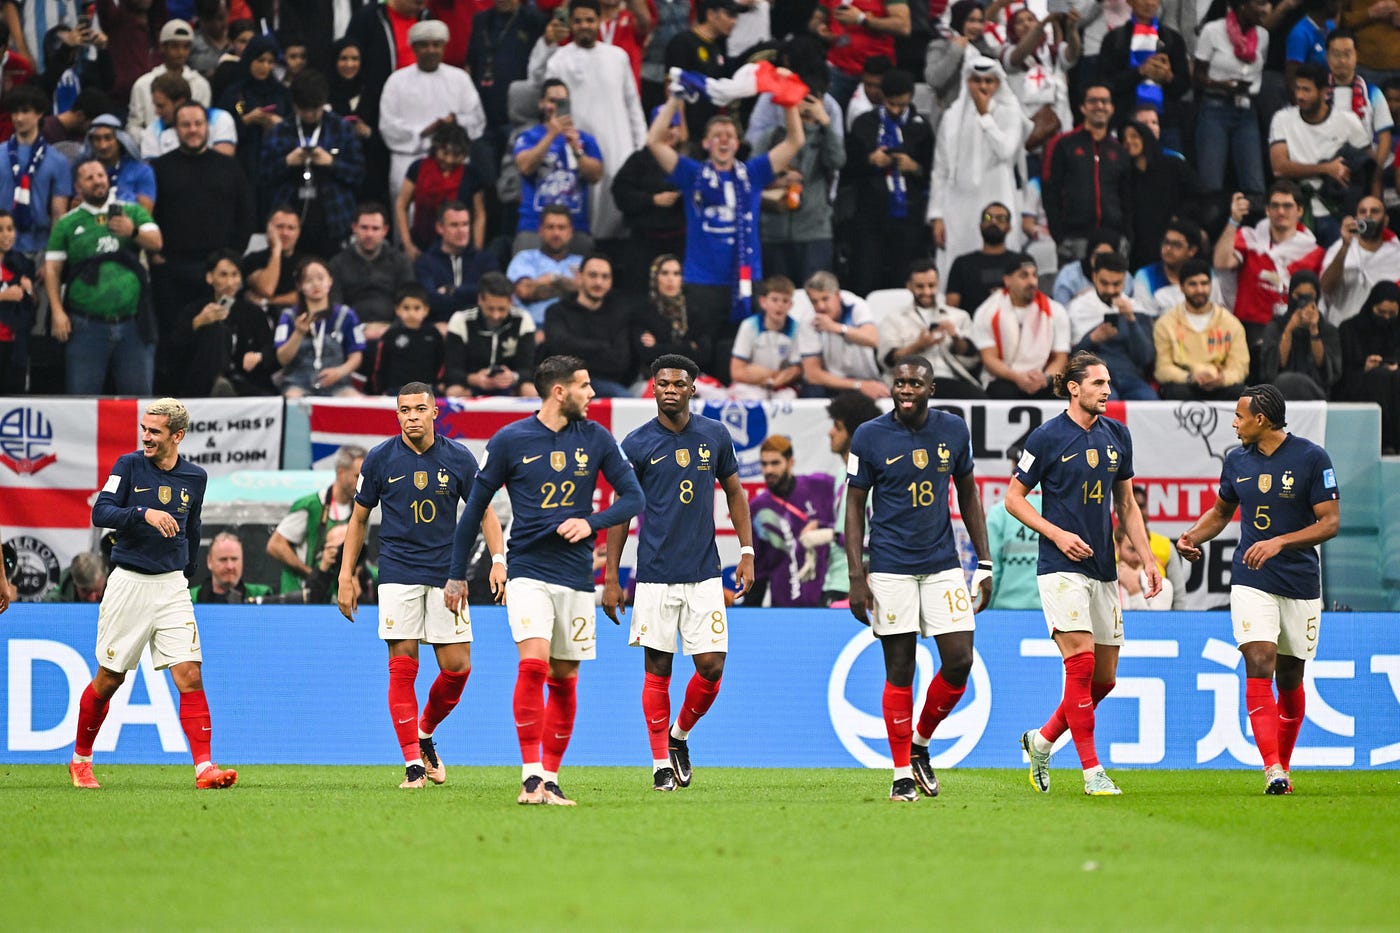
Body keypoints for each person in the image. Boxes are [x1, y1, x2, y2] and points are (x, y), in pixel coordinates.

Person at [445, 355, 644, 805]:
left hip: (575, 578)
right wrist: (457, 575)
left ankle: (551, 779)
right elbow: (474, 509)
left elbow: (634, 497)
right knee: (533, 664)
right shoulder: (510, 440)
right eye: (585, 386)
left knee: (565, 677)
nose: (592, 394)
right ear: (560, 391)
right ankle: (530, 775)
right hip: (528, 572)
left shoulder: (597, 438)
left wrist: (592, 522)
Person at [1005, 351, 1161, 797]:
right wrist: (1056, 534)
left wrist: (1148, 558)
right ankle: (1093, 771)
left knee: (1105, 679)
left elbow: (1127, 505)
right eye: (1097, 383)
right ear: (1074, 388)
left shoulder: (1117, 435)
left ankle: (1042, 740)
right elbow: (1014, 498)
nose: (1106, 390)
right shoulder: (1048, 437)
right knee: (1081, 663)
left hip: (1104, 568)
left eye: (1108, 383)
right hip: (1060, 567)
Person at [338, 383, 507, 789]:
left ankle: (424, 732)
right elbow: (358, 521)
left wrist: (499, 560)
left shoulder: (458, 458)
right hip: (397, 574)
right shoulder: (380, 459)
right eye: (403, 410)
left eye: (418, 409)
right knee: (402, 668)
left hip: (447, 575)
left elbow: (485, 513)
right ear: (396, 415)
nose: (411, 416)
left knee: (457, 669)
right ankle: (413, 765)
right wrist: (346, 576)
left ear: (434, 413)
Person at [1176, 384, 1340, 794]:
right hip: (1253, 579)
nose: (1233, 422)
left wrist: (1281, 541)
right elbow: (1220, 512)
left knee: (1290, 676)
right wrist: (1193, 537)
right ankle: (1272, 769)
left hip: (1300, 583)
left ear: (1261, 419)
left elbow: (1330, 522)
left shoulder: (1311, 458)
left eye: (1239, 416)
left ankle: (1283, 763)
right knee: (1259, 658)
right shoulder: (1235, 462)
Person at [602, 353, 755, 791]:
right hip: (653, 576)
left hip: (705, 574)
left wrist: (746, 551)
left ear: (692, 388)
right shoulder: (635, 444)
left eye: (678, 383)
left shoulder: (714, 435)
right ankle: (659, 766)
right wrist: (613, 576)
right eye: (662, 383)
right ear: (653, 388)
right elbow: (621, 514)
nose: (670, 389)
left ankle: (678, 736)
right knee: (658, 669)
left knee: (711, 667)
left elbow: (735, 494)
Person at [69, 398, 238, 791]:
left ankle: (204, 769)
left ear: (177, 436)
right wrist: (143, 513)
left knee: (190, 674)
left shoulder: (195, 477)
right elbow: (101, 512)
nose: (146, 436)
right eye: (144, 429)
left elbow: (193, 526)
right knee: (109, 679)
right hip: (129, 581)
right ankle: (81, 760)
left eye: (155, 431)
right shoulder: (129, 466)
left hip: (172, 586)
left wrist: (188, 571)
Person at [845, 355, 993, 801]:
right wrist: (857, 574)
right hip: (890, 567)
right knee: (900, 668)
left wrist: (983, 564)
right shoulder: (869, 436)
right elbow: (853, 506)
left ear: (931, 390)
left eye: (915, 383)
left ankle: (921, 742)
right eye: (900, 383)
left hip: (943, 564)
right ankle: (900, 773)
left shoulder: (953, 430)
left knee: (960, 659)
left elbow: (967, 494)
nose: (906, 390)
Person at [647, 93, 804, 375]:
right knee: (702, 351)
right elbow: (654, 142)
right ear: (706, 143)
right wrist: (673, 100)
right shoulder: (691, 173)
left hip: (745, 279)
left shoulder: (753, 173)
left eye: (729, 135)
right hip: (701, 281)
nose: (723, 139)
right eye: (716, 135)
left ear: (737, 143)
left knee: (740, 350)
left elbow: (795, 142)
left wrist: (788, 98)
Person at [46, 158, 163, 396]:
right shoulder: (67, 223)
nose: (97, 181)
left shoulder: (131, 211)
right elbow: (52, 269)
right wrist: (57, 311)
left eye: (100, 175)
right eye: (89, 178)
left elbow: (157, 243)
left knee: (138, 403)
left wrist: (133, 231)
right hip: (85, 327)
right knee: (82, 403)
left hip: (133, 324)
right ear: (77, 186)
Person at [540, 0, 647, 241]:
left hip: (620, 145)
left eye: (589, 20)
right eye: (578, 21)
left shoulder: (617, 57)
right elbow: (550, 107)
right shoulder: (558, 60)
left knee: (618, 210)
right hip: (578, 148)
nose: (584, 26)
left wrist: (641, 148)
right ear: (570, 24)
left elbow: (633, 105)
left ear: (599, 21)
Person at [929, 57, 1028, 280]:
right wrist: (937, 216)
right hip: (957, 205)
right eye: (977, 80)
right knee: (956, 266)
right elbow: (941, 169)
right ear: (967, 81)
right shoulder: (952, 116)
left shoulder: (1009, 112)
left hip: (997, 198)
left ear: (998, 84)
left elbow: (1006, 150)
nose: (983, 87)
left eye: (989, 81)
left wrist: (985, 116)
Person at [842, 68, 931, 296]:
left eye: (901, 105)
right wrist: (870, 160)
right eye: (890, 104)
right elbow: (846, 169)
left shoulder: (921, 127)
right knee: (866, 279)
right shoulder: (864, 124)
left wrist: (914, 167)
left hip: (908, 218)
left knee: (903, 281)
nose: (895, 110)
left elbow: (934, 172)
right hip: (870, 217)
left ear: (910, 97)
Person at [1213, 182, 1325, 364]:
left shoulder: (1314, 253)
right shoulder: (1250, 238)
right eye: (1275, 206)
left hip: (1291, 329)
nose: (1281, 212)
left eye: (1287, 206)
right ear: (1267, 210)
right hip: (1246, 326)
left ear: (1300, 211)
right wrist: (1233, 221)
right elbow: (1221, 262)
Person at [261, 69, 366, 260]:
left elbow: (359, 174)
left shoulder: (341, 129)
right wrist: (287, 162)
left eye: (315, 109)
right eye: (304, 109)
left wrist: (332, 163)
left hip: (333, 219)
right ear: (295, 105)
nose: (309, 115)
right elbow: (263, 176)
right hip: (290, 218)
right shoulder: (280, 131)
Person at [378, 20, 487, 199]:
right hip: (410, 159)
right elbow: (388, 126)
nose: (431, 50)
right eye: (424, 45)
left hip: (452, 160)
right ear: (413, 48)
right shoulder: (396, 81)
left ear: (444, 47)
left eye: (436, 45)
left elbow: (477, 120)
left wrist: (454, 123)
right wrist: (422, 132)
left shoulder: (459, 78)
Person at [1268, 61, 1371, 244]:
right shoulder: (1282, 118)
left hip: (1337, 212)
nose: (1299, 95)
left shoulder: (1347, 121)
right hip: (1296, 213)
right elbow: (1279, 167)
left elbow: (1368, 164)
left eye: (1306, 90)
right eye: (1297, 88)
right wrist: (1326, 168)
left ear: (1324, 92)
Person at [167, 248, 278, 397]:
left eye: (235, 275)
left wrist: (259, 356)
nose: (230, 282)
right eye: (223, 275)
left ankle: (227, 384)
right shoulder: (194, 310)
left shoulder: (253, 312)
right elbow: (173, 350)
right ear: (209, 277)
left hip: (244, 380)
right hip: (199, 383)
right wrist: (199, 322)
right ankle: (218, 381)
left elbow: (269, 348)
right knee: (215, 330)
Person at [1044, 83, 1130, 265]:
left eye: (1105, 101)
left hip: (1113, 238)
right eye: (1093, 101)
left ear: (1112, 108)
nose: (1099, 106)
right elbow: (1051, 192)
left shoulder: (1120, 151)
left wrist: (1126, 235)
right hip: (1074, 239)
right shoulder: (1064, 145)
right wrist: (1059, 235)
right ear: (1082, 107)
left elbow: (1128, 197)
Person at [1193, 0, 1270, 196]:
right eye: (1260, 4)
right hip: (1215, 108)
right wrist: (1222, 85)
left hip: (1247, 110)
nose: (1266, 9)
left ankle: (1251, 225)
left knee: (1254, 183)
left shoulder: (1263, 36)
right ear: (1243, 6)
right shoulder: (1212, 31)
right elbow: (1198, 75)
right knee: (1211, 182)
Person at [748, 435, 835, 608]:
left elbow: (847, 527)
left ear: (791, 462)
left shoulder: (820, 486)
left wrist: (822, 527)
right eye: (764, 464)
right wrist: (750, 611)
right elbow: (758, 567)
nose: (768, 470)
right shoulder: (758, 508)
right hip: (783, 606)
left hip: (826, 599)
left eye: (775, 463)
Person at [267, 444, 366, 594]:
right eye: (357, 476)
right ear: (340, 472)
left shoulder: (360, 509)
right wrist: (311, 573)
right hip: (300, 596)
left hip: (331, 597)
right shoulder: (311, 505)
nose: (362, 483)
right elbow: (275, 545)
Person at [876, 259, 982, 397]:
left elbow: (973, 361)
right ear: (909, 286)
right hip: (912, 380)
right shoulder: (893, 319)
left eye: (931, 285)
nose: (927, 291)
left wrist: (956, 338)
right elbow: (887, 361)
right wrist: (919, 345)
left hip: (953, 380)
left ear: (938, 284)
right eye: (920, 286)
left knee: (982, 399)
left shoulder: (959, 316)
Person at [970, 253, 1070, 399]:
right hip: (1005, 377)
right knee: (1002, 391)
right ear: (1007, 280)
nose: (1032, 282)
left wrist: (1045, 377)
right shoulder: (987, 311)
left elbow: (1061, 357)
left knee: (1059, 392)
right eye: (1024, 276)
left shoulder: (1056, 311)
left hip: (1042, 377)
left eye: (1034, 275)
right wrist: (1018, 377)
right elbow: (989, 358)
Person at [513, 79, 604, 236]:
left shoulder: (585, 139)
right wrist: (552, 135)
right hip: (534, 225)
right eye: (552, 101)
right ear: (542, 103)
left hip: (575, 226)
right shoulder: (528, 136)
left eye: (562, 102)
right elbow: (525, 167)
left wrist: (577, 150)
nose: (555, 107)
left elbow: (595, 175)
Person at [1153, 258, 1251, 400]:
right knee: (1175, 391)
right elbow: (1162, 368)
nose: (1199, 290)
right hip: (1185, 384)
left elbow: (1240, 367)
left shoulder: (1231, 324)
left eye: (1204, 284)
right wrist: (1191, 377)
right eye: (1192, 284)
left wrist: (1222, 379)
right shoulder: (1165, 324)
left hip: (1221, 385)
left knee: (1240, 392)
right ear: (1181, 287)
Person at [541, 253, 637, 397]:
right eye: (593, 275)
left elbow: (620, 361)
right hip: (566, 383)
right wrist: (602, 346)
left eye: (605, 277)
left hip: (608, 384)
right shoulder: (557, 311)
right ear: (579, 277)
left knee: (627, 401)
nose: (599, 282)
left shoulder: (620, 313)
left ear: (611, 281)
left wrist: (576, 351)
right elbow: (557, 350)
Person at [1066, 251, 1158, 400]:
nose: (1110, 290)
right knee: (1106, 401)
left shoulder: (1138, 310)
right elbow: (1071, 360)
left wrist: (1132, 321)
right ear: (1094, 277)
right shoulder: (1077, 308)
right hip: (1093, 379)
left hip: (1131, 379)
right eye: (1105, 283)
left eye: (1116, 284)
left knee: (1150, 401)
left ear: (1125, 280)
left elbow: (1145, 358)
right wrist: (1092, 339)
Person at [272, 258, 367, 398]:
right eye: (308, 280)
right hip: (298, 383)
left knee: (356, 401)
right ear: (299, 286)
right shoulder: (288, 316)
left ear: (330, 281)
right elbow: (282, 359)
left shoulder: (346, 315)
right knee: (293, 399)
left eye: (320, 278)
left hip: (338, 383)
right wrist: (298, 333)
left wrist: (340, 372)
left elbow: (356, 356)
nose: (316, 284)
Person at [395, 122, 491, 261]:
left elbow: (479, 214)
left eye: (456, 155)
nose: (449, 159)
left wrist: (476, 251)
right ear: (436, 147)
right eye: (445, 153)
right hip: (421, 245)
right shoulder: (418, 168)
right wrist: (408, 244)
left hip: (459, 249)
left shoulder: (471, 174)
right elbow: (401, 205)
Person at [822, 391, 881, 606]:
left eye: (837, 427)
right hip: (833, 580)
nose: (830, 433)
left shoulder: (876, 480)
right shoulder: (841, 473)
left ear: (856, 433)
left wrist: (831, 536)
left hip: (859, 583)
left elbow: (879, 539)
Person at [1, 85, 73, 262]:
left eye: (25, 111)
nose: (18, 118)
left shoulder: (58, 161)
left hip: (40, 247)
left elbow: (59, 214)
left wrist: (52, 257)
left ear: (39, 113)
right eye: (15, 112)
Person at [329, 203, 418, 342]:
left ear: (385, 230)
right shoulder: (337, 263)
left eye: (375, 228)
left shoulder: (400, 261)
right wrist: (357, 330)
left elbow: (409, 299)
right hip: (350, 335)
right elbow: (335, 304)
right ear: (354, 228)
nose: (369, 234)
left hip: (394, 332)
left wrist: (391, 329)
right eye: (364, 228)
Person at [442, 271, 539, 397]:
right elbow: (451, 371)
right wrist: (474, 379)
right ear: (480, 300)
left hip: (510, 386)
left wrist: (513, 377)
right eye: (490, 308)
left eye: (501, 309)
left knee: (530, 390)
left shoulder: (522, 319)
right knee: (454, 392)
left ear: (511, 301)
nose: (496, 315)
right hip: (472, 384)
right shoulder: (461, 319)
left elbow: (530, 368)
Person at [414, 200, 501, 325]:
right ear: (440, 228)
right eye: (454, 225)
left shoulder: (485, 260)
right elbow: (429, 300)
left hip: (479, 328)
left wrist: (453, 290)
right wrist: (472, 298)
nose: (461, 230)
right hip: (440, 328)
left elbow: (493, 293)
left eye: (465, 224)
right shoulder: (425, 262)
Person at [1337, 280, 1400, 453]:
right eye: (1381, 313)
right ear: (1371, 306)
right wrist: (1364, 368)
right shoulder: (1349, 329)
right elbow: (1339, 376)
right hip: (1359, 389)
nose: (1386, 318)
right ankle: (1385, 443)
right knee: (1379, 377)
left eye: (1392, 314)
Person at [1259, 271, 1342, 399]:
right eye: (1298, 296)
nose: (1303, 302)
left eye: (1309, 297)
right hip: (1280, 393)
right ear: (1291, 294)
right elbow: (1273, 367)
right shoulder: (1275, 327)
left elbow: (1327, 371)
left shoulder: (1328, 331)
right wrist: (1289, 329)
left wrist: (1314, 329)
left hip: (1316, 394)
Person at [1319, 196, 1400, 325]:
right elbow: (1326, 288)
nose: (1368, 215)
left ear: (1385, 221)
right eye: (1362, 212)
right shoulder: (1338, 248)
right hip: (1341, 328)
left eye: (1374, 211)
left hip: (1381, 330)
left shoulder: (1395, 254)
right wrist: (1345, 246)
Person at [126, 19, 211, 139]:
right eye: (175, 46)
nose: (181, 52)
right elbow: (133, 127)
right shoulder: (143, 84)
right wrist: (153, 142)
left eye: (186, 47)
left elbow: (203, 122)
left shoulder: (201, 84)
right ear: (162, 47)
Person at [632, 254, 712, 378]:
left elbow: (704, 354)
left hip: (693, 377)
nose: (671, 279)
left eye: (676, 274)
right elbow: (646, 354)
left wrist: (658, 346)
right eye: (664, 273)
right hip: (653, 378)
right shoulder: (643, 312)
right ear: (655, 277)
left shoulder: (694, 310)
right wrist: (689, 346)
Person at [728, 274, 805, 399]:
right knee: (748, 396)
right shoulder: (749, 325)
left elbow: (796, 370)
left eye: (785, 301)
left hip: (781, 384)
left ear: (791, 305)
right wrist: (769, 378)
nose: (780, 305)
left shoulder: (797, 328)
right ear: (763, 302)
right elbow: (736, 372)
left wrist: (770, 378)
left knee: (787, 398)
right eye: (774, 300)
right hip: (751, 384)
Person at [507, 204, 584, 327]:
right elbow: (524, 291)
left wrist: (553, 279)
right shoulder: (525, 258)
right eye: (550, 227)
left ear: (570, 232)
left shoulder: (582, 263)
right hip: (531, 328)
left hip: (573, 330)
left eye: (561, 228)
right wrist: (569, 289)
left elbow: (589, 292)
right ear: (541, 230)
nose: (556, 233)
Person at [943, 203, 1023, 313]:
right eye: (988, 217)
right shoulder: (962, 264)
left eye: (1000, 218)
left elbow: (1030, 300)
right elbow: (951, 308)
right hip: (971, 327)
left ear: (1009, 228)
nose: (993, 221)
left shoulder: (1021, 262)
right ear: (980, 225)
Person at [374, 284, 444, 395]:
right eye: (406, 308)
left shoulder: (433, 334)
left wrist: (440, 384)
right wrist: (382, 391)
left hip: (427, 389)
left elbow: (441, 362)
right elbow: (381, 366)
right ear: (397, 310)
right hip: (397, 391)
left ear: (426, 310)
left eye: (417, 308)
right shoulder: (391, 335)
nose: (411, 313)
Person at [82, 115, 157, 214]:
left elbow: (145, 214)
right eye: (97, 139)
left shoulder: (142, 171)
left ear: (120, 140)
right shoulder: (84, 172)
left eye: (108, 138)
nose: (103, 145)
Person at [1133, 219, 1210, 315]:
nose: (1168, 249)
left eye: (1176, 245)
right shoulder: (1145, 276)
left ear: (1192, 251)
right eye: (1166, 242)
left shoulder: (1206, 276)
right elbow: (1145, 321)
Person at [189, 532, 271, 603]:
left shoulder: (262, 595)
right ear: (209, 561)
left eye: (234, 559)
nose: (230, 566)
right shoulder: (190, 598)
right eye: (223, 559)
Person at [1115, 524, 1173, 609]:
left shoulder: (1163, 587)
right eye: (1132, 549)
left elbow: (1152, 622)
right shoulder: (1103, 583)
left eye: (1142, 551)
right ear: (1117, 547)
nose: (1138, 557)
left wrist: (1134, 589)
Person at [42, 551, 108, 603]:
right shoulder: (54, 602)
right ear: (75, 583)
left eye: (97, 590)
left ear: (104, 578)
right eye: (85, 591)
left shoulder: (116, 584)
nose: (92, 599)